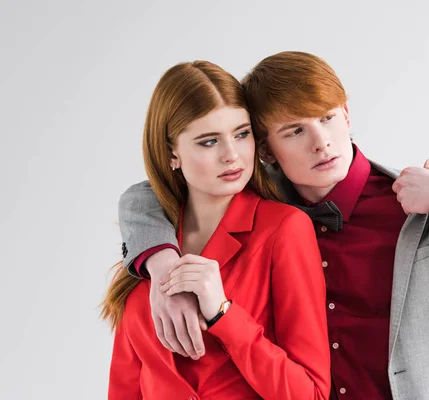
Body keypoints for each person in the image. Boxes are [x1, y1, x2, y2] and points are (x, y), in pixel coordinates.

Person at [117, 52, 429, 399]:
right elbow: (150, 192)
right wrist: (161, 263)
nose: (322, 143)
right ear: (266, 149)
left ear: (348, 116)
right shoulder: (258, 206)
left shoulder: (427, 212)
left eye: (328, 118)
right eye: (295, 130)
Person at [101, 60, 330, 400]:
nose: (232, 155)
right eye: (209, 142)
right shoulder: (148, 244)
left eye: (241, 134)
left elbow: (310, 394)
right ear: (171, 153)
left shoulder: (283, 230)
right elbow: (125, 386)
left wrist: (222, 312)